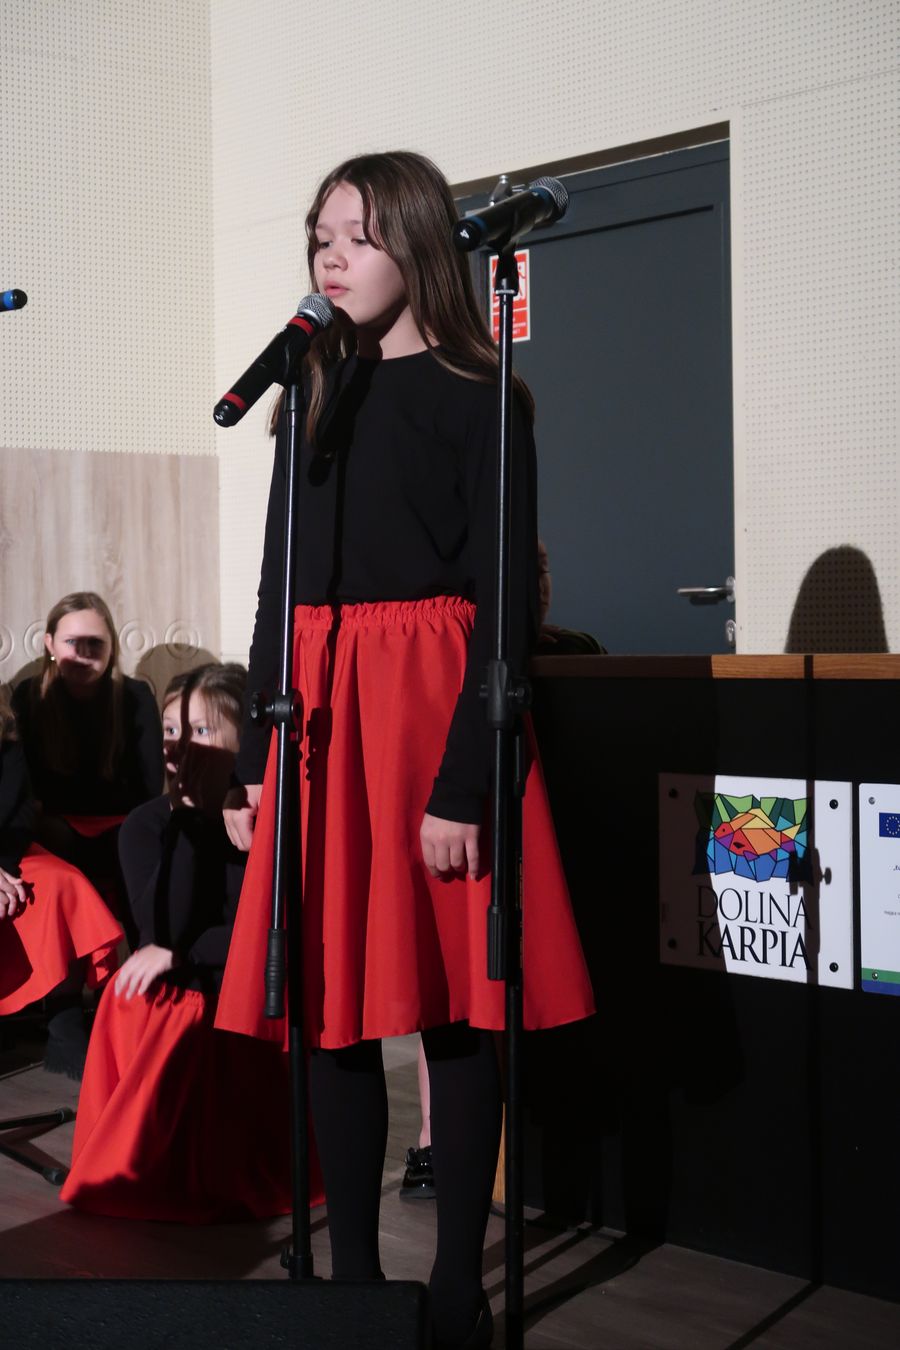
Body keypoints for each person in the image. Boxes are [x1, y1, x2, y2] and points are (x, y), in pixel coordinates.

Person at [216, 150, 594, 1349]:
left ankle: (455, 1288)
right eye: (320, 236)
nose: (332, 257)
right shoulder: (310, 391)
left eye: (359, 236)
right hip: (319, 711)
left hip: (431, 706)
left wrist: (467, 781)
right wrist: (254, 759)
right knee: (327, 1000)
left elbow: (502, 606)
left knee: (453, 1007)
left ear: (421, 245)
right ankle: (355, 1287)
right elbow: (278, 588)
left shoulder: (486, 396)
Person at [60, 663, 307, 1221]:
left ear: (243, 744)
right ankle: (147, 1157)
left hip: (249, 979)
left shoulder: (269, 820)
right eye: (171, 730)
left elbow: (266, 939)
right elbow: (159, 934)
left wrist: (186, 952)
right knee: (136, 993)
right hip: (193, 981)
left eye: (200, 730)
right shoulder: (146, 825)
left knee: (231, 994)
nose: (179, 746)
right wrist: (189, 818)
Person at [12, 592, 163, 939]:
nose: (83, 654)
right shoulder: (29, 696)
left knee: (136, 838)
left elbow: (148, 789)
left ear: (112, 647)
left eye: (95, 643)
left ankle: (144, 957)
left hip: (119, 828)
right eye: (71, 642)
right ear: (49, 643)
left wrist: (61, 797)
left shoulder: (135, 696)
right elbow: (28, 789)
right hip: (56, 829)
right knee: (48, 836)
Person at [0, 683, 122, 1077]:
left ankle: (64, 1025)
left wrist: (2, 866)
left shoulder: (5, 729)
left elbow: (20, 810)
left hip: (5, 852)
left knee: (60, 882)